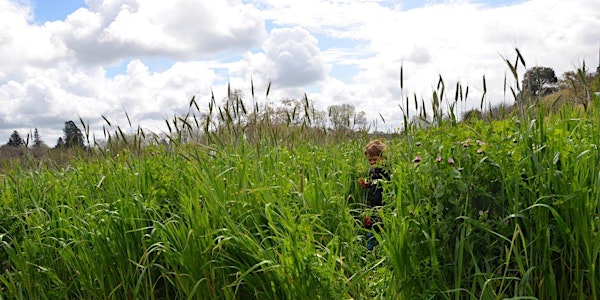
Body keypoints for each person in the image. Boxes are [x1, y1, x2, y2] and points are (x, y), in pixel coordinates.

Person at [358, 139, 391, 250]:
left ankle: (382, 248)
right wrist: (367, 185)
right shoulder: (372, 171)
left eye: (374, 159)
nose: (372, 163)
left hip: (383, 205)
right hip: (372, 204)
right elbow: (374, 185)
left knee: (381, 227)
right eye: (369, 160)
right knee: (369, 225)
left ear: (383, 157)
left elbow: (388, 188)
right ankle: (370, 249)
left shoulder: (387, 171)